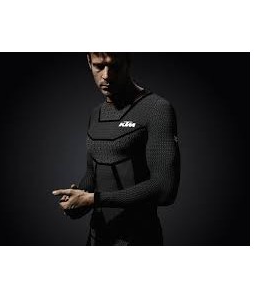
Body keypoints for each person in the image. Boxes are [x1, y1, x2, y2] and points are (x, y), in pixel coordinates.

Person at [52, 52, 180, 245]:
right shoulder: (96, 113)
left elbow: (165, 189)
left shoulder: (156, 109)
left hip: (139, 240)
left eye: (114, 66)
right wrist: (77, 199)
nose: (106, 75)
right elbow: (92, 174)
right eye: (99, 66)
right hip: (97, 238)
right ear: (89, 62)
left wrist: (92, 199)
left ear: (128, 61)